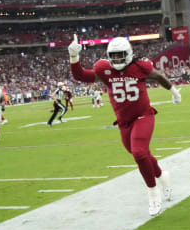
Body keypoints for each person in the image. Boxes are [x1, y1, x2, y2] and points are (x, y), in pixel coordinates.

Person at [69, 35, 181, 216]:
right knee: (142, 154)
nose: (117, 60)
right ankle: (161, 176)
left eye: (120, 55)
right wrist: (73, 57)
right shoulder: (105, 70)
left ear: (128, 54)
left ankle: (153, 193)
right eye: (113, 56)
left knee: (139, 152)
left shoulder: (139, 67)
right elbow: (81, 75)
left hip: (143, 116)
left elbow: (159, 76)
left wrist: (174, 92)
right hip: (124, 122)